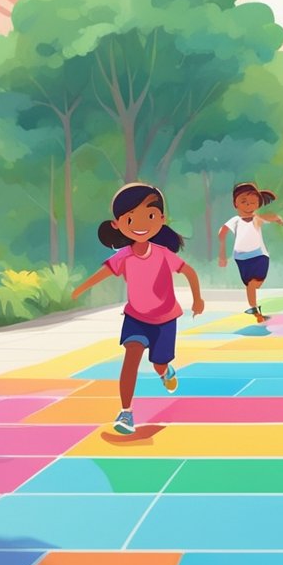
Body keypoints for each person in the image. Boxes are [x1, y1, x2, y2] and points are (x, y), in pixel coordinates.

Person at [72, 183, 204, 435]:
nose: (141, 224)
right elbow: (103, 273)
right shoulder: (124, 256)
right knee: (131, 358)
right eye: (131, 218)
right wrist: (79, 290)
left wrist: (197, 299)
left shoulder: (163, 253)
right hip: (136, 317)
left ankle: (165, 371)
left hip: (165, 319)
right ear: (117, 224)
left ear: (161, 219)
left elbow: (189, 271)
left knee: (158, 363)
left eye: (150, 216)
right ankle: (126, 412)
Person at [218, 182, 283, 323]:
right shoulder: (235, 221)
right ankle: (255, 311)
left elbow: (270, 216)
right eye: (243, 202)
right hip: (241, 258)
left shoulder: (257, 219)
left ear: (258, 204)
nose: (248, 205)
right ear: (235, 204)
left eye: (253, 202)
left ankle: (254, 308)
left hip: (259, 255)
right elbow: (222, 233)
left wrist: (279, 219)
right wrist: (222, 255)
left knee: (255, 283)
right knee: (250, 284)